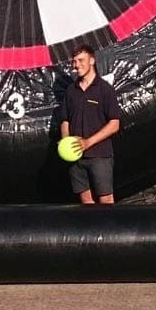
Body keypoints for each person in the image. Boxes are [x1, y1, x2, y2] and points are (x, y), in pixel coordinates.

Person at [58, 44, 122, 204]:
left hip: (100, 156)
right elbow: (65, 120)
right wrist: (66, 141)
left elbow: (114, 124)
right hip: (76, 158)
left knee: (106, 200)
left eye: (81, 60)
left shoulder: (105, 90)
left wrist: (87, 143)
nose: (76, 65)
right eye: (74, 62)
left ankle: (109, 229)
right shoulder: (71, 91)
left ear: (92, 60)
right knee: (85, 202)